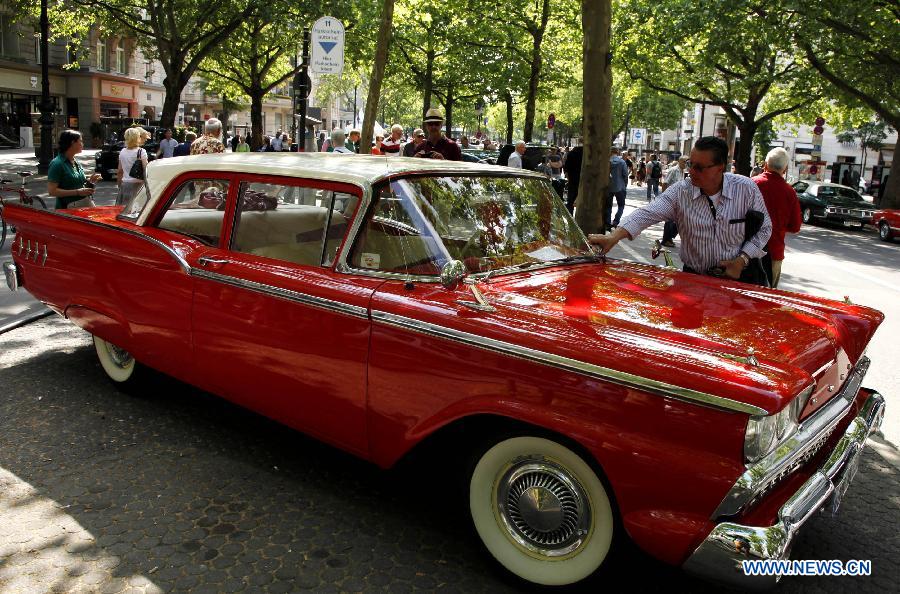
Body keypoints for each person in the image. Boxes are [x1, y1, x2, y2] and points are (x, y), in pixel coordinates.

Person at [589, 136, 772, 284]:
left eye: (699, 167)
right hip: (694, 282)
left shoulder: (746, 189)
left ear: (720, 168)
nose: (691, 171)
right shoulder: (681, 191)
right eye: (691, 164)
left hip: (738, 283)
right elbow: (647, 213)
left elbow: (765, 229)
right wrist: (613, 236)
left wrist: (742, 260)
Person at [753, 147, 801, 289]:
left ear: (765, 165)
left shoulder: (752, 183)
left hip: (744, 250)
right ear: (785, 170)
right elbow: (795, 226)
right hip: (774, 251)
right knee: (767, 299)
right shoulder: (789, 192)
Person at [47, 130, 101, 209]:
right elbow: (52, 191)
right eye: (81, 141)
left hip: (83, 205)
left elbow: (78, 185)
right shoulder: (57, 164)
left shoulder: (75, 162)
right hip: (68, 209)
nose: (83, 144)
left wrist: (90, 181)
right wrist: (77, 192)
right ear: (72, 143)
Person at [116, 127, 150, 206]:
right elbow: (146, 170)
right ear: (137, 138)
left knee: (123, 210)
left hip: (125, 185)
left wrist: (119, 185)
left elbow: (120, 171)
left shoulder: (122, 151)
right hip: (138, 185)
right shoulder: (141, 151)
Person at [660, 156, 688, 246]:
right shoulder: (673, 170)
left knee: (679, 219)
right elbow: (665, 183)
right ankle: (666, 240)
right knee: (669, 219)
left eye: (687, 162)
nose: (686, 164)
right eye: (684, 162)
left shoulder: (682, 171)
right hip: (670, 198)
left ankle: (669, 237)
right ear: (680, 161)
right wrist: (664, 196)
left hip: (678, 199)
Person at [604, 146, 630, 229]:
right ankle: (616, 221)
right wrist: (625, 185)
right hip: (620, 186)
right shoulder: (622, 162)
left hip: (608, 186)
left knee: (608, 205)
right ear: (617, 152)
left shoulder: (607, 162)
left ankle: (607, 223)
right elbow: (625, 175)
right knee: (621, 205)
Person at [563, 141, 583, 213]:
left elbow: (566, 168)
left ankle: (570, 217)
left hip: (573, 180)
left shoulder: (571, 154)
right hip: (584, 180)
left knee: (570, 201)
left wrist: (569, 179)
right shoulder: (588, 154)